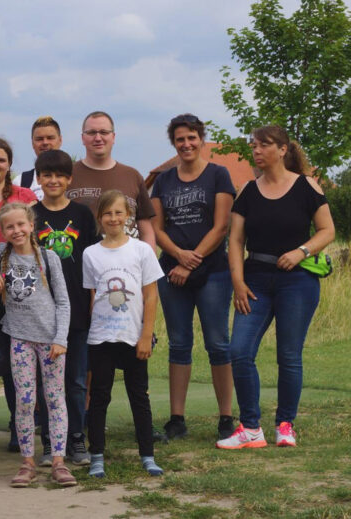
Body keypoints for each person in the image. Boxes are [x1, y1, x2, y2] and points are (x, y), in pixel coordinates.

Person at [217, 125, 334, 450]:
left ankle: (285, 425)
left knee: (289, 354)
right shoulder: (247, 191)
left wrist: (301, 252)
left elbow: (327, 230)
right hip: (254, 281)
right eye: (253, 145)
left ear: (282, 149)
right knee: (239, 352)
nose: (256, 150)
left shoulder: (306, 186)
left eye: (263, 145)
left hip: (297, 282)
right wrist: (238, 282)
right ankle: (251, 428)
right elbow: (235, 240)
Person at [150, 114, 237, 442]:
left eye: (191, 138)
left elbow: (221, 226)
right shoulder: (163, 181)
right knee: (179, 343)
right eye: (180, 139)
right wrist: (178, 257)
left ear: (201, 139)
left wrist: (191, 262)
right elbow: (157, 228)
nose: (186, 144)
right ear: (173, 142)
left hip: (212, 272)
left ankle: (226, 417)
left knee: (218, 344)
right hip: (172, 272)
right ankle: (177, 419)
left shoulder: (218, 174)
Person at [0, 203, 75, 488]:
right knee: (25, 401)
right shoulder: (0, 254)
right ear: (3, 231)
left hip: (50, 342)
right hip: (20, 340)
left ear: (31, 225)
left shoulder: (49, 258)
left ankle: (59, 461)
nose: (16, 230)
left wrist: (60, 339)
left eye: (20, 224)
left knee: (55, 399)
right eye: (9, 227)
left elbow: (63, 302)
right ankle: (27, 462)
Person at [83, 190, 165, 478]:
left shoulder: (141, 250)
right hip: (101, 338)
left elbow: (151, 296)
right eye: (107, 213)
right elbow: (93, 296)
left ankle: (147, 455)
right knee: (99, 396)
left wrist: (146, 335)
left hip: (133, 336)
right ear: (99, 217)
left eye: (118, 213)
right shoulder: (91, 253)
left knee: (139, 396)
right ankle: (96, 456)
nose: (113, 218)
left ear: (128, 216)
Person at [32, 149, 99, 466]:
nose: (54, 180)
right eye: (47, 175)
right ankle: (50, 441)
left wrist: (94, 301)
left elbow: (93, 262)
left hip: (78, 309)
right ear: (39, 178)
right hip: (42, 314)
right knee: (48, 383)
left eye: (60, 175)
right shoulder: (31, 215)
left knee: (75, 381)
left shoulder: (83, 215)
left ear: (70, 179)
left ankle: (76, 438)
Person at [67, 111, 156, 248]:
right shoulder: (67, 176)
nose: (98, 138)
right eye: (91, 132)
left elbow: (146, 230)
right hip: (82, 258)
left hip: (128, 259)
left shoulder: (133, 176)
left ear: (113, 137)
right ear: (83, 138)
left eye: (104, 132)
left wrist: (149, 258)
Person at [15, 116, 64, 202]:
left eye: (50, 138)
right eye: (39, 139)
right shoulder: (20, 182)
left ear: (60, 140)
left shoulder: (75, 177)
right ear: (32, 143)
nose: (45, 142)